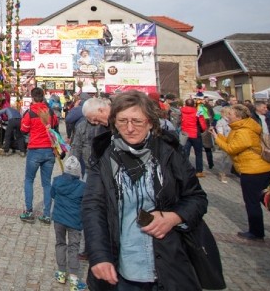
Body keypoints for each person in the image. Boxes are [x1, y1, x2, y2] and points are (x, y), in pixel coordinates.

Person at [82, 91, 208, 290]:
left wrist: (174, 217)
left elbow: (197, 198)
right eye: (123, 121)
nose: (130, 129)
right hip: (124, 268)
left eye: (137, 121)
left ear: (150, 122)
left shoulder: (169, 153)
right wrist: (99, 255)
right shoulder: (105, 156)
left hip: (169, 263)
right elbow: (93, 207)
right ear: (114, 122)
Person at [212, 103, 270, 240]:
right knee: (268, 199)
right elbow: (232, 143)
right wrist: (217, 135)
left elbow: (232, 148)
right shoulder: (243, 127)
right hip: (260, 168)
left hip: (253, 171)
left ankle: (256, 231)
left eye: (230, 115)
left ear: (238, 116)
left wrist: (217, 138)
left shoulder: (244, 131)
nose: (227, 117)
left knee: (252, 202)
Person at [19, 87, 59, 224]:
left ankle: (29, 211)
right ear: (43, 97)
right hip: (49, 150)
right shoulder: (51, 112)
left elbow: (24, 129)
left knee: (29, 180)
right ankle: (47, 214)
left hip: (35, 149)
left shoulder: (29, 113)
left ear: (32, 97)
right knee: (47, 184)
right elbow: (55, 125)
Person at [51, 155, 87, 291]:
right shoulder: (83, 187)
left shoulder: (57, 181)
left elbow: (53, 194)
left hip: (59, 219)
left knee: (60, 243)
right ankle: (73, 279)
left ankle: (61, 273)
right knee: (74, 248)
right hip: (74, 221)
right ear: (78, 173)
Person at [180, 98, 207, 177]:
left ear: (185, 104)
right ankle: (199, 171)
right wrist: (203, 130)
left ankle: (185, 170)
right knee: (198, 153)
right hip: (195, 134)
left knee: (185, 153)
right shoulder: (198, 112)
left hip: (185, 134)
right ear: (193, 104)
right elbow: (202, 124)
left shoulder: (181, 111)